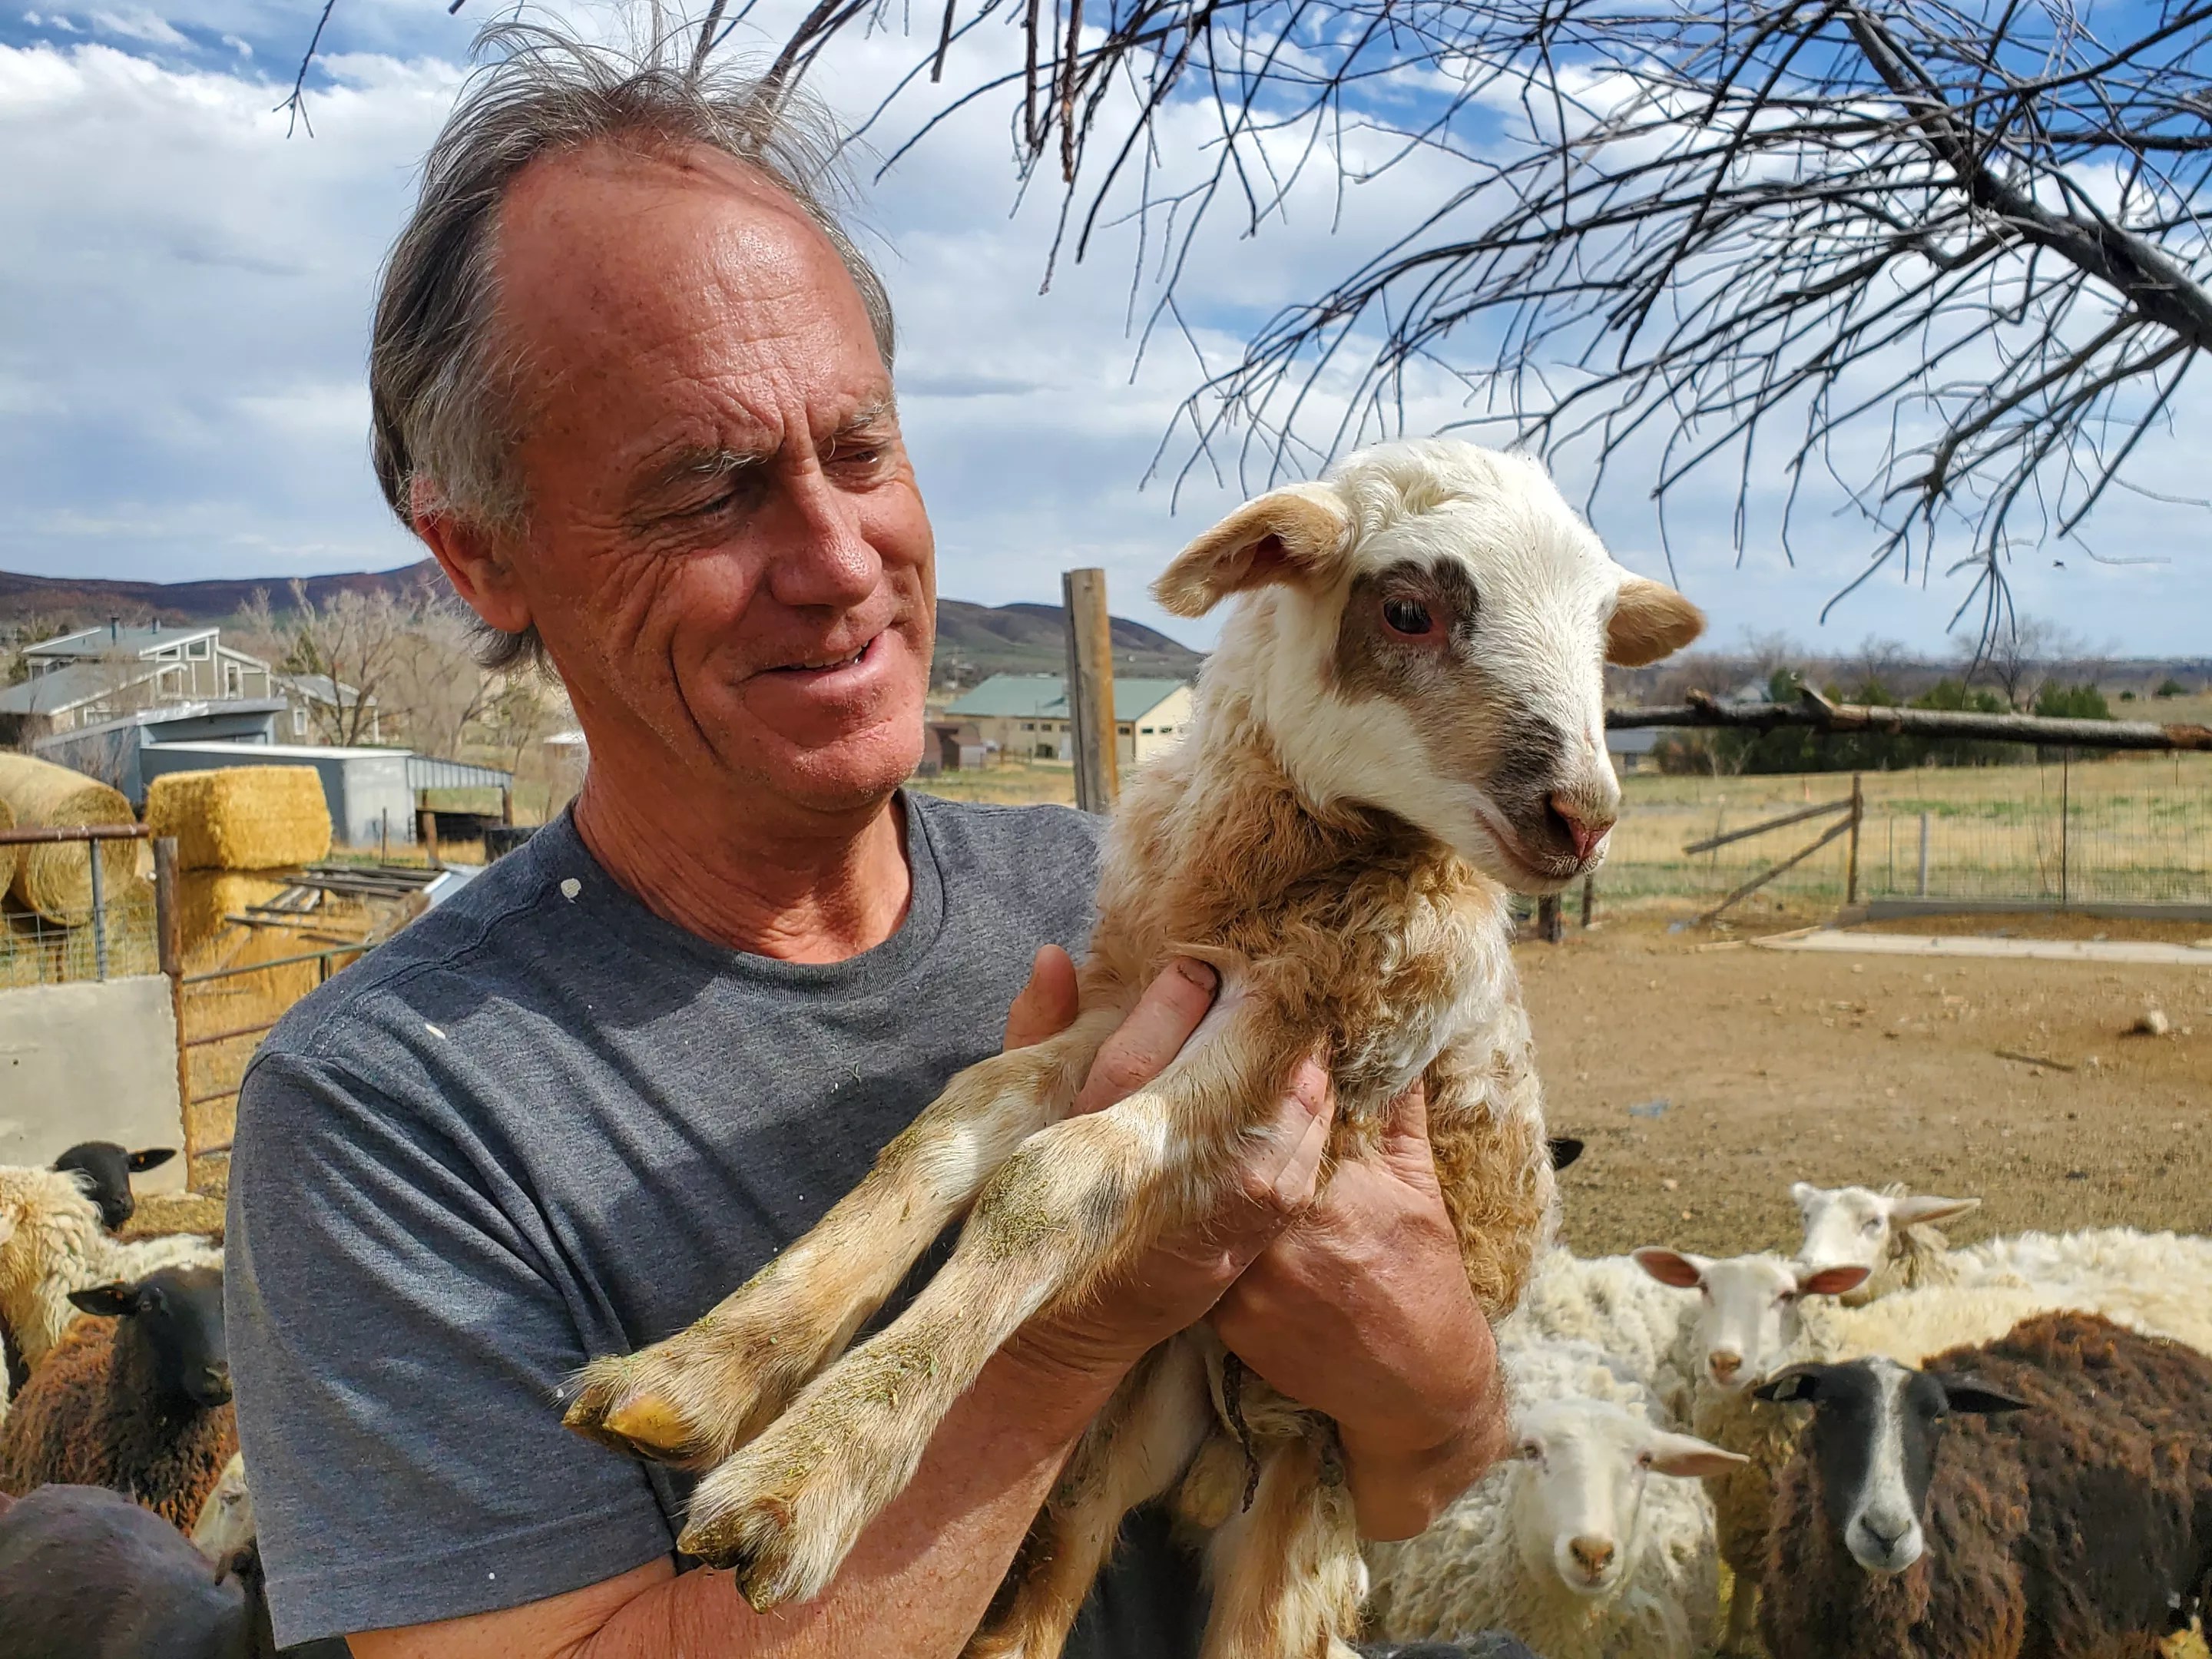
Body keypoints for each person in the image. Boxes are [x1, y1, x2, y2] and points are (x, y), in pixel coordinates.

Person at [225, 26, 1505, 1658]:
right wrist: (1074, 1326)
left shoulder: (1125, 906)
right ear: (482, 558)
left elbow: (1420, 1482)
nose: (840, 561)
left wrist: (1427, 1364)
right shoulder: (395, 1113)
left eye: (860, 448)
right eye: (710, 488)